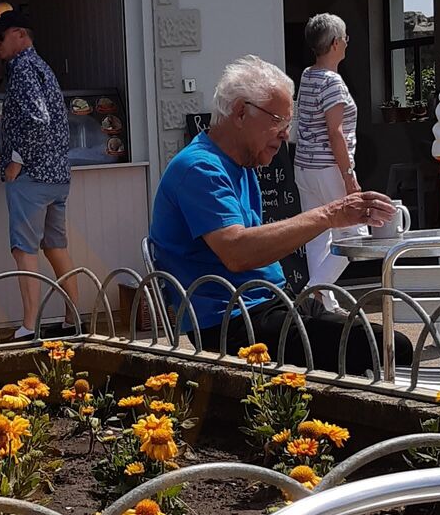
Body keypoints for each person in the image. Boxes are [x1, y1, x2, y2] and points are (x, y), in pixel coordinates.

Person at [148, 56, 395, 369]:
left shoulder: (242, 163)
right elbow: (237, 252)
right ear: (240, 113)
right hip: (235, 323)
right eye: (278, 121)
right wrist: (330, 215)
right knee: (386, 348)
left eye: (288, 124)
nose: (285, 135)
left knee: (381, 340)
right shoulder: (200, 169)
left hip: (267, 304)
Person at [0, 11, 73, 340]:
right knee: (55, 246)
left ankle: (29, 325)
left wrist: (15, 160)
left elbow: (37, 119)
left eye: (0, 37)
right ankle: (72, 320)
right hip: (58, 173)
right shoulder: (42, 66)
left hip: (33, 176)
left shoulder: (23, 68)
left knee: (23, 249)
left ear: (19, 34)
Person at [292, 13, 360, 298]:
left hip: (304, 166)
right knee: (354, 236)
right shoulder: (333, 82)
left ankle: (324, 303)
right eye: (345, 38)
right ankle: (314, 292)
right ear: (335, 43)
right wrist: (349, 176)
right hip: (328, 167)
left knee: (318, 234)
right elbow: (336, 133)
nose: (347, 43)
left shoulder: (308, 75)